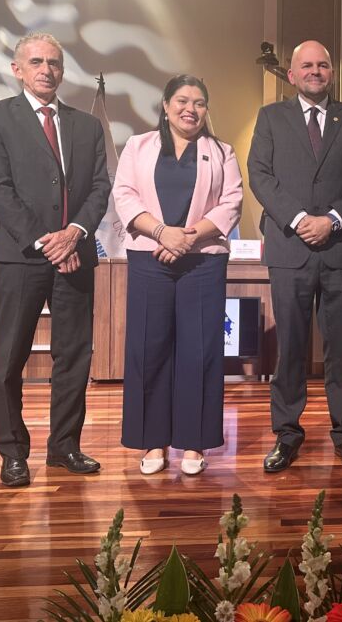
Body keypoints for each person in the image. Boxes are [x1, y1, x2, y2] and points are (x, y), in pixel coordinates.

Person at [0, 32, 111, 487]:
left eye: (54, 62)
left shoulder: (87, 126)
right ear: (18, 69)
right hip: (19, 258)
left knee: (73, 356)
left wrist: (73, 234)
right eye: (36, 62)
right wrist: (44, 241)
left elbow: (99, 189)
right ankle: (12, 452)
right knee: (7, 358)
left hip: (76, 254)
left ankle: (65, 446)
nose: (46, 69)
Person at [247, 40, 342, 472]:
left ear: (332, 72)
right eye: (307, 66)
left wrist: (333, 220)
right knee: (292, 349)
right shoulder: (270, 118)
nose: (315, 71)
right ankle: (287, 434)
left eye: (323, 65)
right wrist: (301, 218)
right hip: (290, 249)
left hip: (340, 250)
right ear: (292, 74)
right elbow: (260, 176)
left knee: (341, 350)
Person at [112, 75, 243, 476]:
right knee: (149, 348)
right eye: (182, 101)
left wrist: (185, 238)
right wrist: (161, 232)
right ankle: (153, 443)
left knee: (200, 350)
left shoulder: (221, 151)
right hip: (149, 257)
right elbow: (124, 194)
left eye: (200, 102)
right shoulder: (138, 146)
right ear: (166, 105)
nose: (191, 109)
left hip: (202, 260)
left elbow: (232, 202)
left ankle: (194, 443)